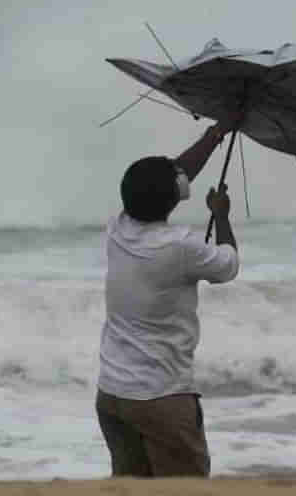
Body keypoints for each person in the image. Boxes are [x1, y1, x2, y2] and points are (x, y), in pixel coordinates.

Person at [96, 118, 241, 478]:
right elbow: (229, 265)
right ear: (175, 194)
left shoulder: (118, 228)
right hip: (162, 399)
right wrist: (220, 215)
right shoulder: (180, 247)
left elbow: (172, 178)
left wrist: (213, 136)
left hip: (113, 395)